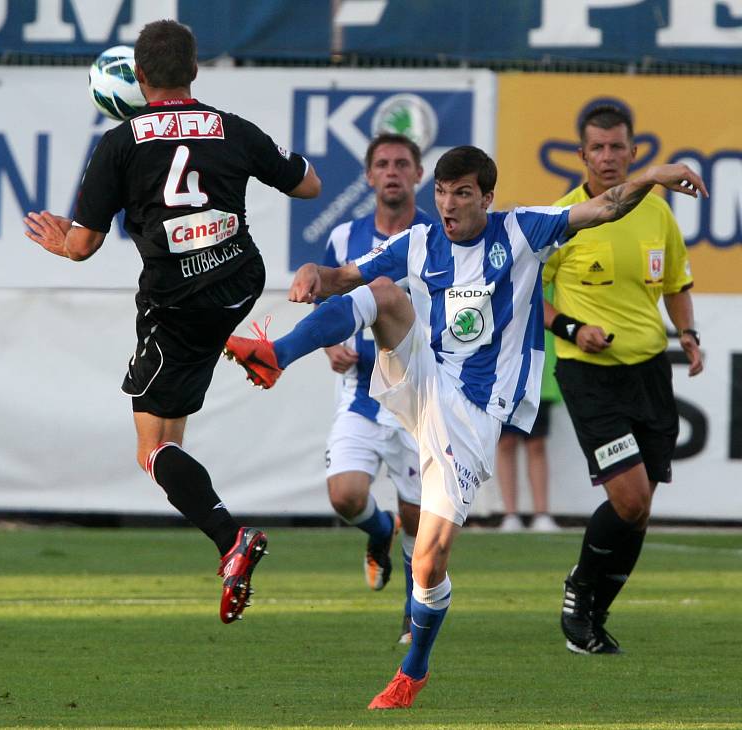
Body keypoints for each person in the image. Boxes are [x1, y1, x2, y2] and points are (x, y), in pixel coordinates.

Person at [224, 144, 706, 708]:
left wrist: (654, 175)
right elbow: (343, 276)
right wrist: (315, 273)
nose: (448, 205)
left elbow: (603, 209)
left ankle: (414, 670)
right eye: (442, 193)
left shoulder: (522, 231)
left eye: (462, 194)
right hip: (425, 377)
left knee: (429, 557)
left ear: (487, 198)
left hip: (475, 413)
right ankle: (275, 354)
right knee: (380, 294)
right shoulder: (420, 241)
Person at [22, 19, 321, 624]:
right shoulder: (231, 129)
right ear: (195, 70)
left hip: (176, 304)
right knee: (175, 439)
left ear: (136, 77)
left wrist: (59, 246)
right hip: (239, 284)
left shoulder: (121, 142)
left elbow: (82, 246)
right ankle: (236, 344)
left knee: (150, 450)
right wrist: (280, 160)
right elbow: (309, 185)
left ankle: (231, 541)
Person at [542, 104, 704, 655]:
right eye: (598, 148)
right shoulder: (565, 217)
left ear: (633, 152)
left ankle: (594, 615)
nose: (608, 158)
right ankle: (578, 593)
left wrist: (688, 335)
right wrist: (571, 326)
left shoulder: (657, 213)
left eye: (618, 147)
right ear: (582, 155)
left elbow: (677, 281)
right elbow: (525, 295)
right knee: (630, 500)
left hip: (650, 372)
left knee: (640, 511)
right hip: (590, 376)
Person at [321, 133, 433, 643]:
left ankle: (413, 611)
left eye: (402, 164)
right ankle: (377, 531)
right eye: (383, 164)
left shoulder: (436, 237)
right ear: (368, 176)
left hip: (417, 399)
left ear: (418, 173)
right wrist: (328, 347)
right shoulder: (344, 237)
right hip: (361, 393)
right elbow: (327, 302)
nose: (392, 171)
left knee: (419, 514)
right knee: (345, 496)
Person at [496, 284, 561, 532]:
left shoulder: (547, 267)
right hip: (505, 371)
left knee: (536, 443)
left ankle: (541, 512)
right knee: (506, 443)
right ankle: (510, 513)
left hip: (539, 373)